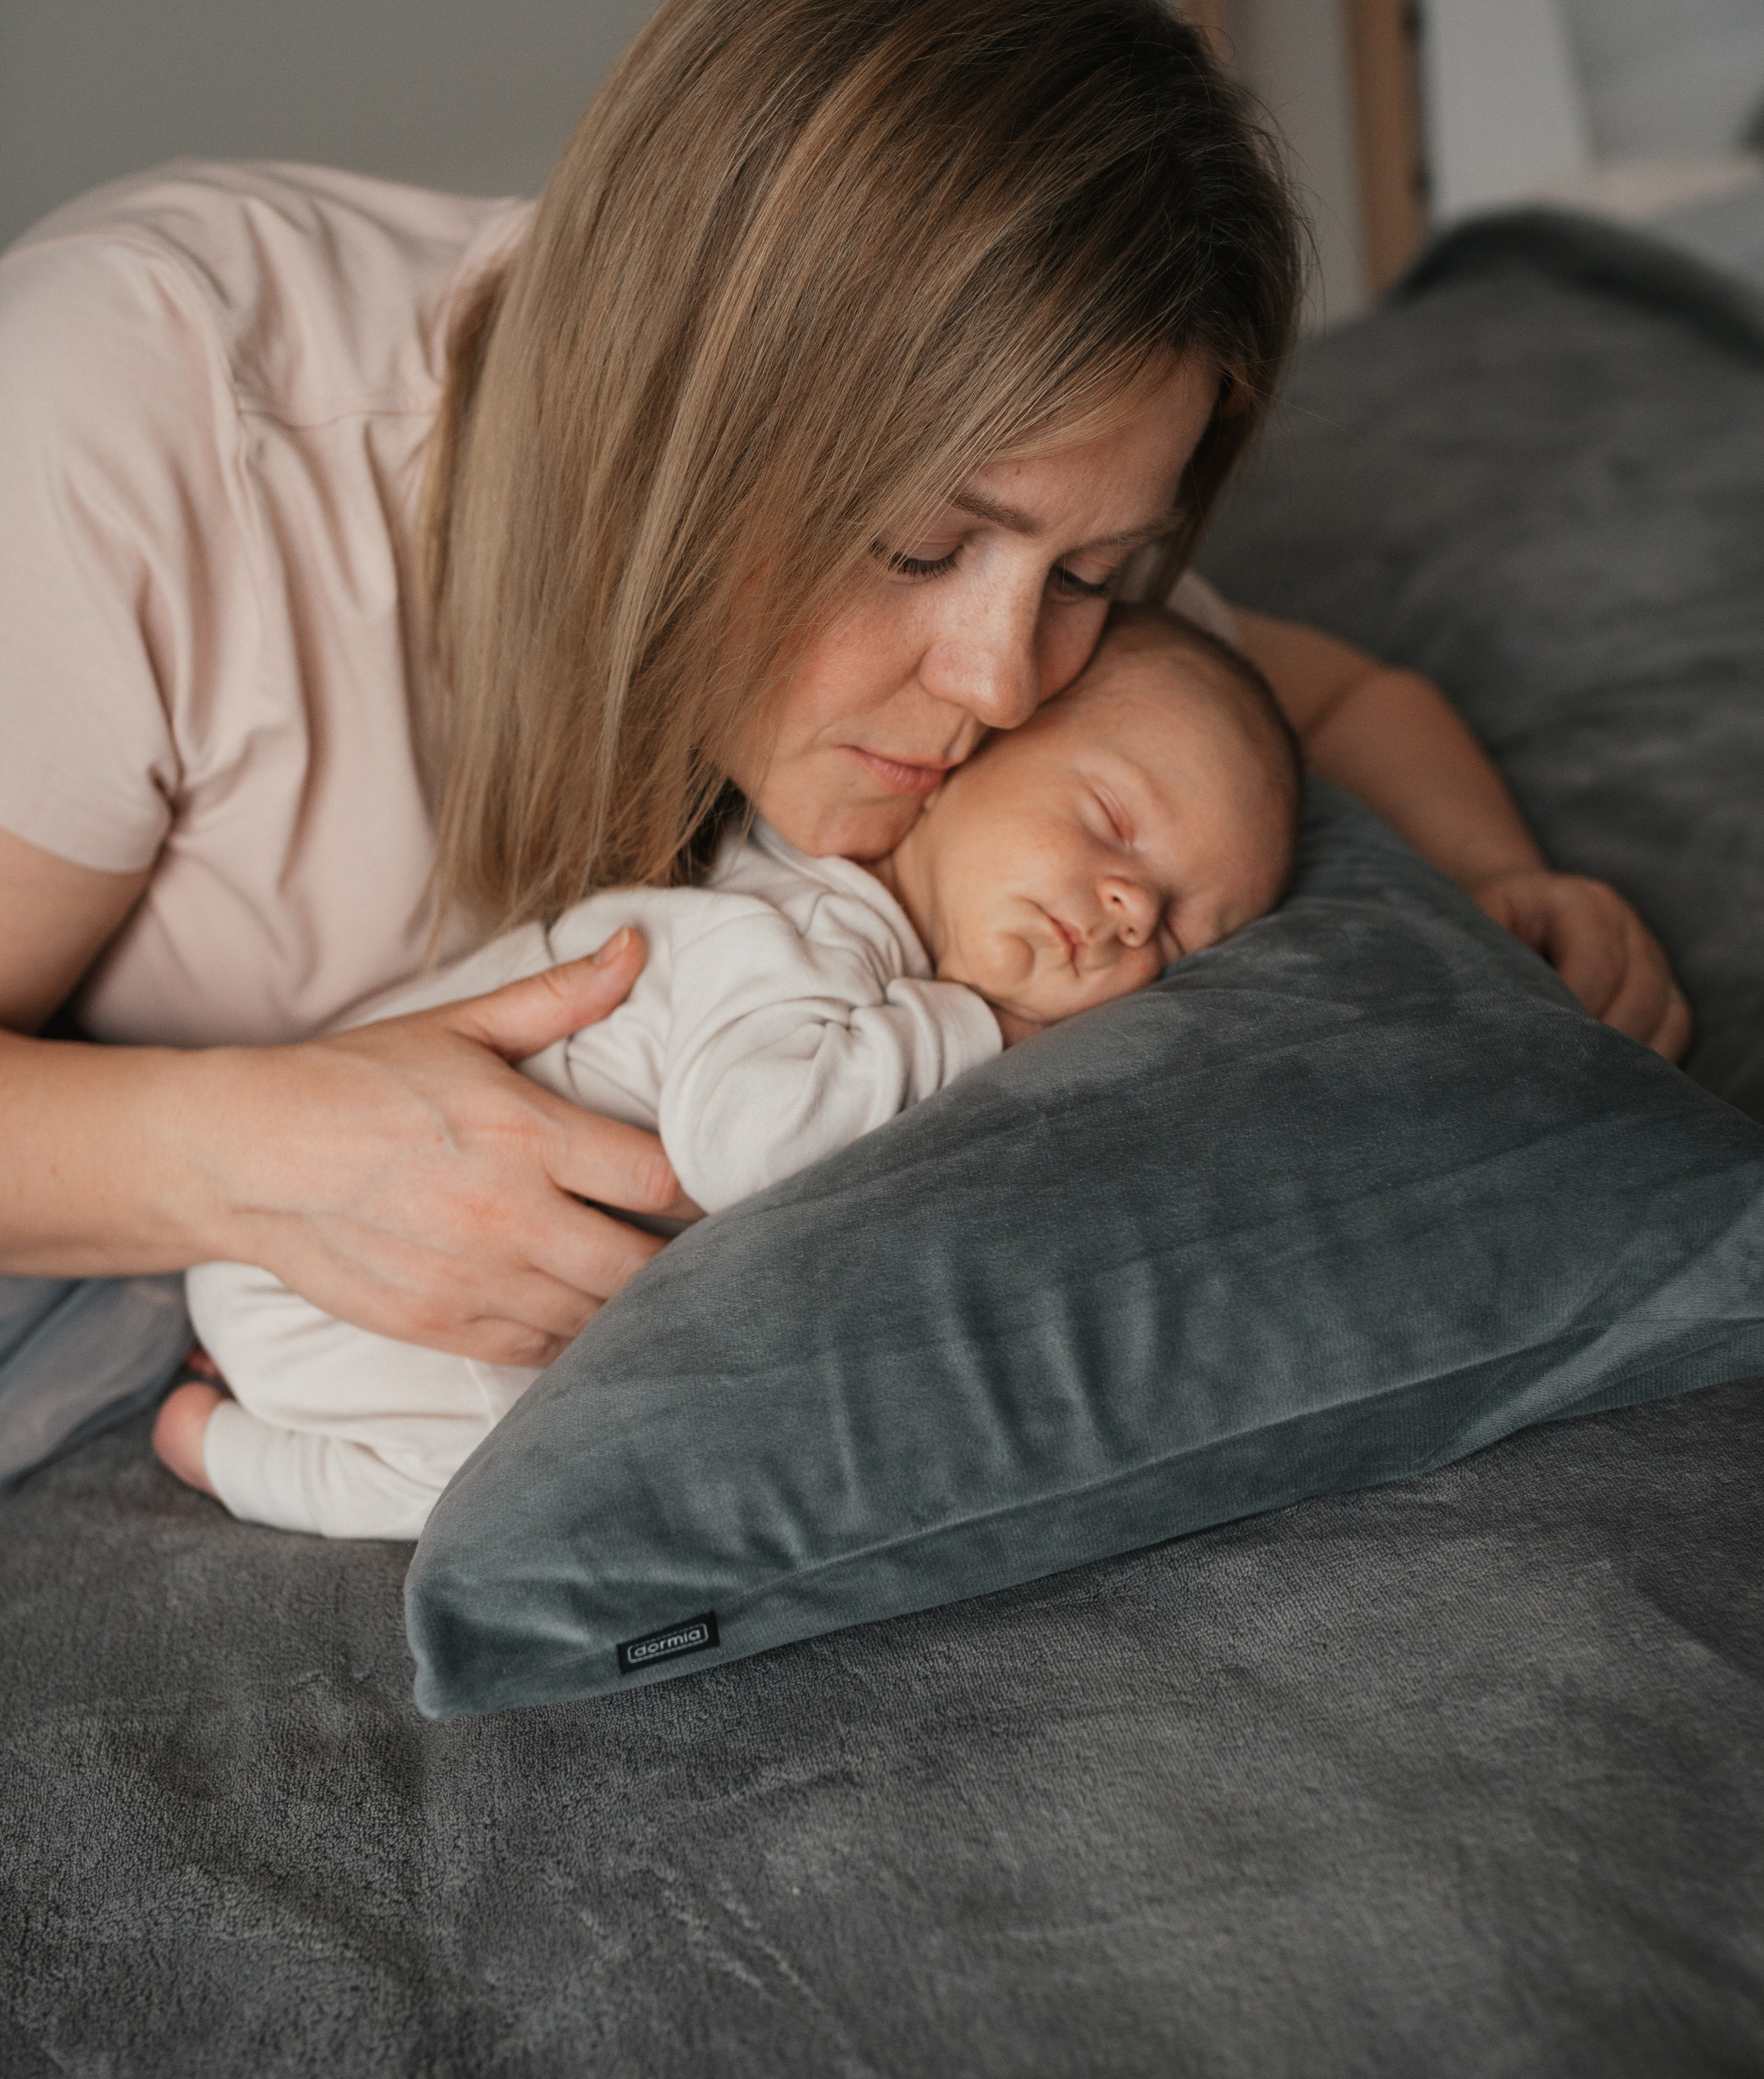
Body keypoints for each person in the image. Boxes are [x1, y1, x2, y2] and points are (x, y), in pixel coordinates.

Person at [0, 0, 1690, 1475]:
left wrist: (1492, 877)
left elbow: (1329, 701)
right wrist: (248, 1158)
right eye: (912, 547)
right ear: (688, 422)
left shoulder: (1031, 623)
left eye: (1092, 572)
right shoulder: (138, 436)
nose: (1002, 682)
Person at [153, 609, 1300, 1536]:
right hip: (346, 1252)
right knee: (502, 1491)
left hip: (322, 1247)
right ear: (955, 765)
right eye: (1109, 820)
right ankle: (227, 1452)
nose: (1132, 907)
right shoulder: (788, 945)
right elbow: (746, 1146)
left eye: (1186, 935)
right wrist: (977, 1024)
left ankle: (258, 1369)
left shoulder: (840, 932)